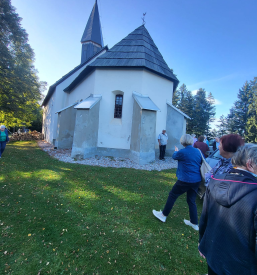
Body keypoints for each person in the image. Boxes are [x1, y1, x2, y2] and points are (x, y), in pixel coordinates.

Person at [198, 144, 257, 275]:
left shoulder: (214, 181)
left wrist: (202, 242)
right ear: (250, 164)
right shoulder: (254, 192)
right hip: (242, 266)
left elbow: (204, 217)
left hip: (214, 255)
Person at [152, 134, 202, 230]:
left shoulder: (182, 152)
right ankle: (194, 223)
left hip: (185, 180)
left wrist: (176, 151)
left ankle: (163, 215)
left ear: (182, 142)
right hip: (196, 180)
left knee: (173, 195)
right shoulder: (198, 151)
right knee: (191, 200)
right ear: (191, 141)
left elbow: (174, 156)